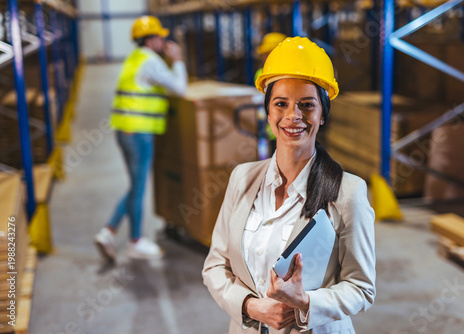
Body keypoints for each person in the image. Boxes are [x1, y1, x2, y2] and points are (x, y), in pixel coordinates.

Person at [202, 37, 375, 333]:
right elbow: (215, 266)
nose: (293, 115)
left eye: (307, 105)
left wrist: (307, 303)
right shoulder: (242, 179)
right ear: (268, 113)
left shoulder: (348, 193)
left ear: (322, 115)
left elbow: (361, 288)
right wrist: (250, 306)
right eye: (281, 104)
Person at [94, 16, 187, 261]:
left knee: (136, 186)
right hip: (139, 134)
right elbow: (180, 88)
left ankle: (109, 231)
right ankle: (135, 242)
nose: (164, 41)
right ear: (151, 39)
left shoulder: (135, 59)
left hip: (126, 131)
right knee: (138, 187)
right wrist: (177, 60)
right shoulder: (151, 62)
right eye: (160, 37)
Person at [255, 32, 287, 155]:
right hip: (271, 129)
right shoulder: (261, 73)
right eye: (264, 54)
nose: (264, 58)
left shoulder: (290, 75)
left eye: (268, 54)